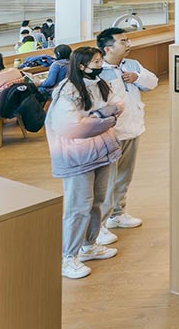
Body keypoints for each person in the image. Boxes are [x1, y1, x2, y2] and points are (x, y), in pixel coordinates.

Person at [46, 47, 122, 280]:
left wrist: (98, 118)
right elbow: (72, 128)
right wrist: (103, 117)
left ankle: (89, 245)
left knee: (98, 201)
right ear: (81, 66)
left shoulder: (100, 84)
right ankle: (68, 257)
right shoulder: (66, 90)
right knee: (78, 206)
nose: (100, 65)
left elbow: (118, 105)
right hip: (77, 157)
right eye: (96, 62)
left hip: (102, 151)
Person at [97, 27, 159, 232]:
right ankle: (100, 225)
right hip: (110, 134)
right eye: (123, 41)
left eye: (128, 40)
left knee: (124, 175)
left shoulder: (132, 65)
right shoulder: (97, 71)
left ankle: (118, 213)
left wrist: (137, 77)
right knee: (106, 180)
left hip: (132, 129)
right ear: (108, 48)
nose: (128, 44)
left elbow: (152, 82)